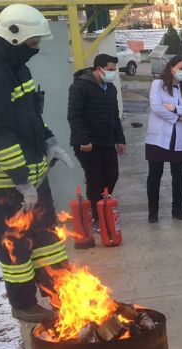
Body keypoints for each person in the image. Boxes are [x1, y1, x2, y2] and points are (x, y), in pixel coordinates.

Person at [0, 4, 74, 322]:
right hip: (2, 186)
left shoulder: (19, 68)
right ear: (14, 37)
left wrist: (49, 142)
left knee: (47, 239)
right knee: (15, 246)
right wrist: (20, 180)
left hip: (33, 179)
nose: (36, 47)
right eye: (33, 42)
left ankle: (60, 292)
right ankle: (22, 303)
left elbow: (31, 116)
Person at [68, 53, 126, 231]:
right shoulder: (81, 86)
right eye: (109, 69)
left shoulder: (110, 88)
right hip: (87, 144)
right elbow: (74, 115)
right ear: (98, 68)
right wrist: (83, 139)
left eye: (114, 70)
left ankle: (103, 206)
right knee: (95, 178)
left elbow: (114, 115)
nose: (112, 73)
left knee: (112, 175)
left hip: (107, 140)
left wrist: (120, 138)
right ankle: (97, 217)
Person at [145, 56, 182, 223]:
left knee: (179, 176)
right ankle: (153, 212)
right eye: (181, 68)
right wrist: (177, 117)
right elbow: (156, 108)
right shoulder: (158, 84)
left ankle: (177, 209)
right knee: (155, 175)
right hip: (158, 138)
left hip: (179, 138)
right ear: (171, 68)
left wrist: (175, 108)